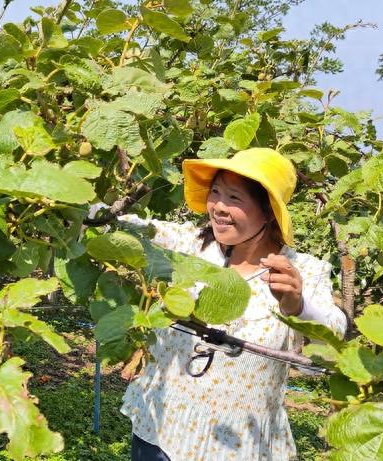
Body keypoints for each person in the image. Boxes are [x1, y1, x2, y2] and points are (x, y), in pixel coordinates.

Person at [116, 148, 347, 461]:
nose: (219, 208)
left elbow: (333, 339)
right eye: (215, 193)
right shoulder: (191, 246)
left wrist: (297, 304)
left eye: (235, 198)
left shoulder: (299, 271)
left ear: (268, 212)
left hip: (239, 446)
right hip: (159, 431)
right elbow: (123, 226)